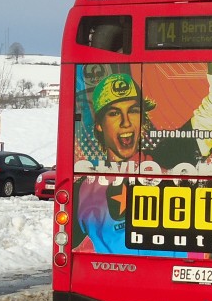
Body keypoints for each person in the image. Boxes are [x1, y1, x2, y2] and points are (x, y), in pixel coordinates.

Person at [74, 73, 183, 258]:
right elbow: (69, 245)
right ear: (99, 124)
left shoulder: (170, 162)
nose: (126, 123)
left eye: (133, 110)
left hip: (172, 278)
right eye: (114, 113)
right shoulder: (83, 190)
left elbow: (207, 116)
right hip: (113, 278)